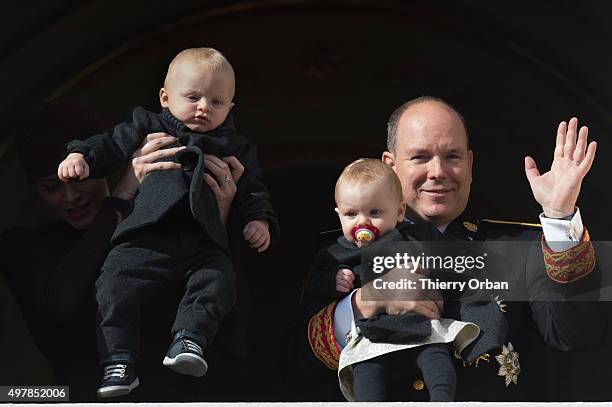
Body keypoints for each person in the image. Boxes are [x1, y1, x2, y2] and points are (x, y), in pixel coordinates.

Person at [294, 96, 605, 401]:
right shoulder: (341, 251)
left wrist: (559, 217)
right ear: (389, 166)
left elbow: (579, 334)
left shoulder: (517, 249)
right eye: (420, 157)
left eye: (452, 157)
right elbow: (292, 366)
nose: (438, 171)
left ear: (469, 165)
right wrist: (366, 301)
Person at [57, 48, 280, 398]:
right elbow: (111, 144)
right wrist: (80, 155)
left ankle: (189, 340)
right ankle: (118, 360)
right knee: (113, 284)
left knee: (218, 281)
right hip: (145, 236)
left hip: (203, 240)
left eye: (217, 101)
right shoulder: (147, 125)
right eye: (193, 97)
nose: (204, 107)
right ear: (165, 97)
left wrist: (259, 220)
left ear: (231, 108)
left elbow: (253, 190)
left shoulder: (235, 145)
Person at [0, 99, 244, 401]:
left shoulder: (154, 230)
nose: (70, 196)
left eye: (79, 178)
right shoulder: (22, 246)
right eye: (51, 187)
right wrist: (120, 197)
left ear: (100, 165)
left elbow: (230, 335)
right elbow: (62, 303)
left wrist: (213, 222)